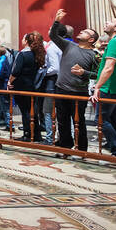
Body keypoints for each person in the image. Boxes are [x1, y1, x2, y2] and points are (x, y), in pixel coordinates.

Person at [49, 10, 97, 151]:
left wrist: (83, 72)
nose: (81, 31)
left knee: (79, 121)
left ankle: (82, 147)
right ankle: (65, 144)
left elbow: (97, 75)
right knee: (62, 120)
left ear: (91, 39)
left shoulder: (93, 54)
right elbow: (53, 36)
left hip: (78, 92)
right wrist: (57, 21)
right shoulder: (69, 46)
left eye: (85, 32)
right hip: (61, 89)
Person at [90, 17, 116, 158]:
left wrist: (98, 86)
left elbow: (109, 68)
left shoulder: (115, 42)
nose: (106, 22)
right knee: (115, 119)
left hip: (110, 87)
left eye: (110, 22)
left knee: (101, 120)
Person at [11, 32, 47, 142]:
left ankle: (27, 134)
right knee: (32, 111)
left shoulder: (23, 54)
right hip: (32, 85)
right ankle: (36, 134)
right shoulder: (37, 54)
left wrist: (9, 81)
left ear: (26, 41)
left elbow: (16, 71)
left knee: (25, 111)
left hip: (21, 86)